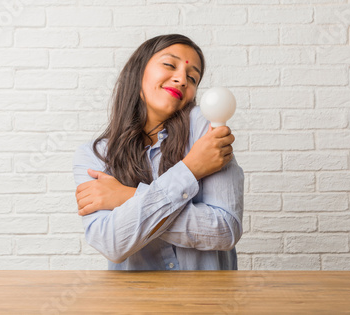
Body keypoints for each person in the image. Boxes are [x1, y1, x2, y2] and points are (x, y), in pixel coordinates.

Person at [72, 34, 244, 270]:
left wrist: (127, 197)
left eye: (192, 78)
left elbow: (224, 230)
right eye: (169, 65)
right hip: (135, 302)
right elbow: (111, 243)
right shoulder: (94, 155)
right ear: (138, 71)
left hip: (208, 302)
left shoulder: (206, 130)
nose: (182, 79)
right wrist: (191, 169)